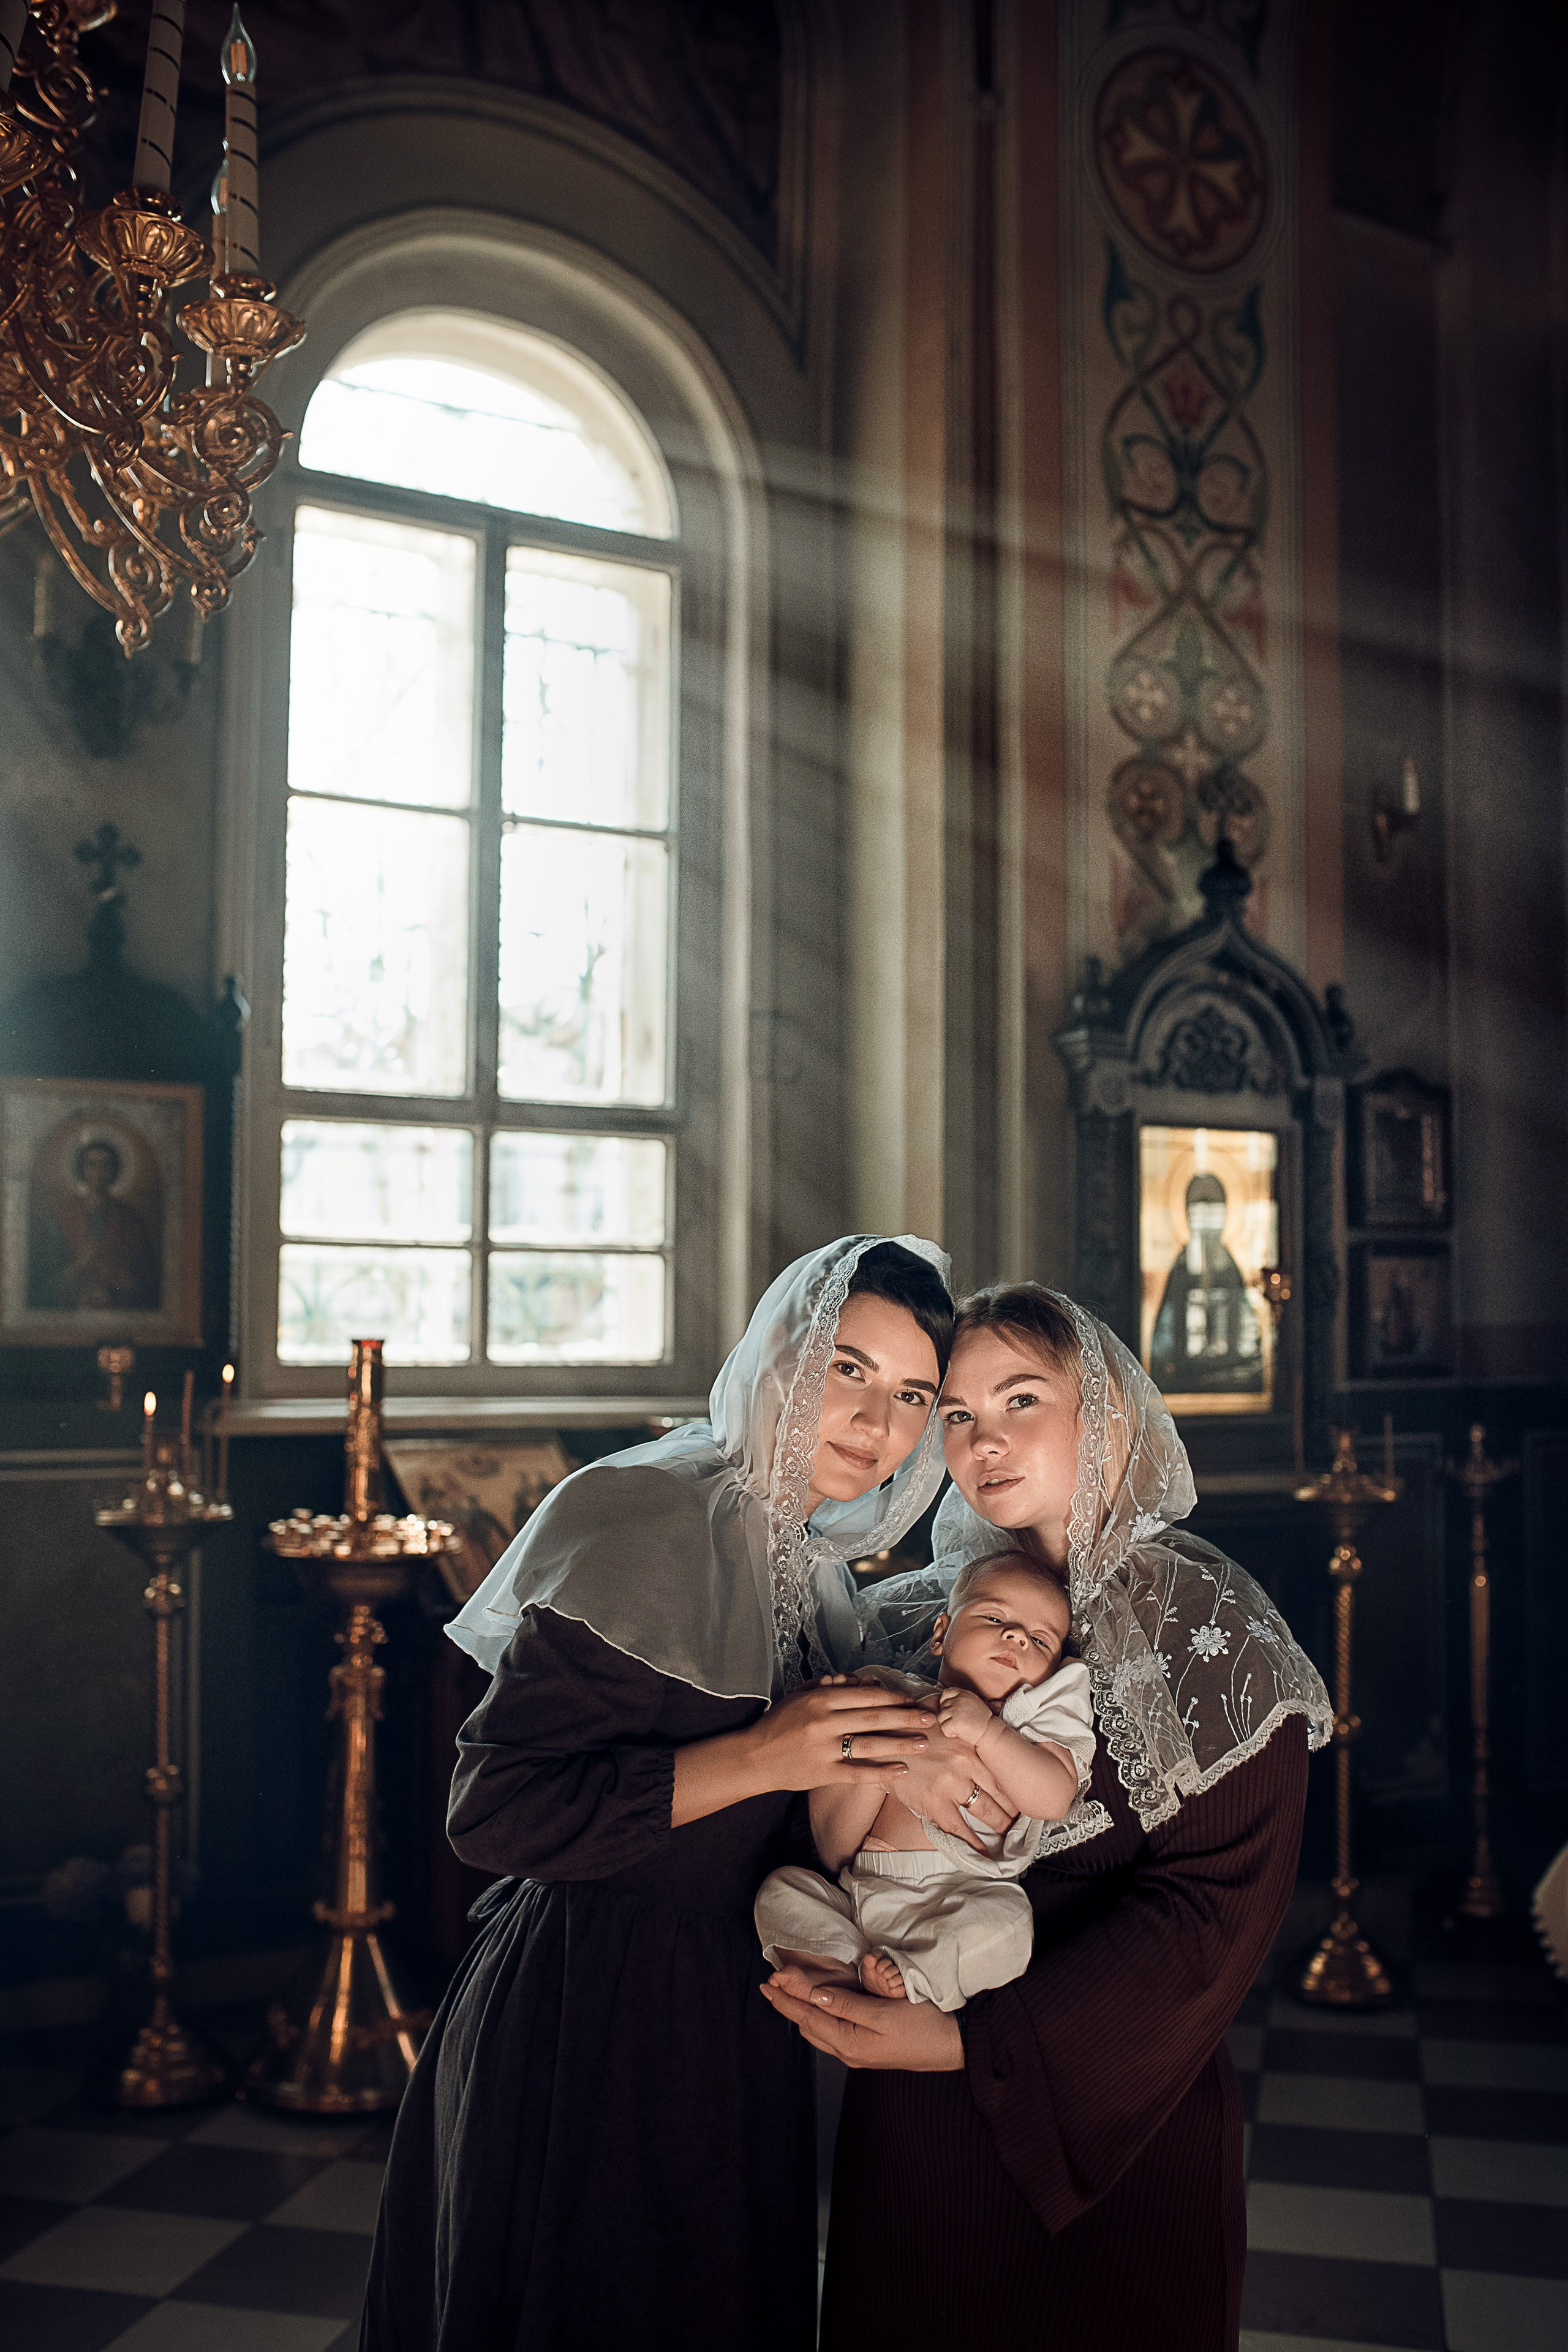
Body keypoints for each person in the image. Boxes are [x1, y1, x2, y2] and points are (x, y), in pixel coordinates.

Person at [360, 1235, 974, 2352]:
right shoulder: (643, 1513)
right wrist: (767, 1756)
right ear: (778, 1352)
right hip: (592, 2011)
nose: (879, 1422)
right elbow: (493, 1813)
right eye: (848, 1368)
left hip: (725, 2018)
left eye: (913, 1396)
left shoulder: (812, 1563)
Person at [764, 1281, 1332, 2352]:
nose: (986, 1441)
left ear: (1104, 1408)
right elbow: (828, 1832)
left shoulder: (1205, 1621)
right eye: (960, 1418)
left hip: (1118, 2113)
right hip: (917, 2130)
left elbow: (1213, 1913)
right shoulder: (920, 1616)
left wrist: (969, 2044)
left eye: (1021, 1400)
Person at [754, 1549, 1095, 2010]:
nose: (1016, 1637)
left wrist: (989, 1731)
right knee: (782, 1889)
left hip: (964, 1894)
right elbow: (834, 1839)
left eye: (1040, 1641)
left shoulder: (1028, 1729)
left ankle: (915, 1978)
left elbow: (1053, 1798)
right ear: (941, 1632)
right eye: (995, 1617)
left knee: (1010, 1926)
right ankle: (840, 1970)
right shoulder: (886, 1692)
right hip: (863, 1889)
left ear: (1051, 1675)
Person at [1150, 1170, 1263, 1394]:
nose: (1206, 1217)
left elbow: (1248, 1333)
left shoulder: (1231, 1268)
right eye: (1199, 1208)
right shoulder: (1181, 1268)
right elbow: (1164, 1336)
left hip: (1229, 1376)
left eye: (1214, 1208)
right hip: (1186, 1376)